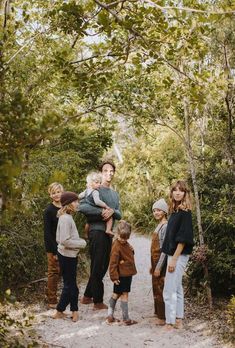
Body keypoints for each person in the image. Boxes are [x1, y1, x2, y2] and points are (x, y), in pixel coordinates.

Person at [79, 160, 122, 310]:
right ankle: (97, 301)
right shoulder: (93, 189)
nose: (109, 173)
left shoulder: (114, 194)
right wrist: (101, 212)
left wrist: (113, 212)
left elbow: (119, 213)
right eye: (105, 171)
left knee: (103, 266)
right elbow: (82, 206)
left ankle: (86, 296)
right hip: (96, 231)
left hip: (108, 233)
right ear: (100, 173)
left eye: (111, 171)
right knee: (98, 265)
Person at [162, 180, 194, 330]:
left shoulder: (185, 213)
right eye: (175, 190)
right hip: (173, 255)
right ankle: (178, 320)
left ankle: (170, 322)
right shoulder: (175, 211)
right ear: (171, 192)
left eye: (181, 190)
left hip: (178, 255)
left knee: (169, 289)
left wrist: (174, 259)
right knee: (177, 287)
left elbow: (183, 239)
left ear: (185, 193)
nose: (177, 192)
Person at [53, 191, 86, 322]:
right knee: (70, 285)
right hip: (67, 256)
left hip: (67, 255)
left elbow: (58, 239)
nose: (77, 203)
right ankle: (60, 311)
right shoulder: (66, 219)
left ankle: (73, 311)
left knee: (71, 284)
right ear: (69, 204)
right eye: (75, 201)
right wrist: (81, 243)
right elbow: (64, 240)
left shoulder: (65, 217)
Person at [106, 220, 137, 325]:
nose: (123, 240)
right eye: (121, 237)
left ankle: (110, 316)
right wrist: (114, 277)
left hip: (125, 273)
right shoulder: (116, 245)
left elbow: (128, 254)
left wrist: (132, 250)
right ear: (117, 233)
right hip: (123, 275)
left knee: (116, 294)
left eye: (126, 238)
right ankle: (126, 318)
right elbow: (113, 262)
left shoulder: (125, 244)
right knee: (124, 294)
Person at [43, 182, 64, 309]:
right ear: (50, 195)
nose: (56, 195)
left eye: (58, 192)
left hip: (64, 245)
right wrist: (54, 251)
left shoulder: (65, 208)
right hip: (53, 246)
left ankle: (50, 292)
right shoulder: (48, 211)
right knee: (53, 272)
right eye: (54, 192)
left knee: (61, 271)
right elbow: (47, 233)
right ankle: (51, 299)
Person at [150, 198, 168, 325]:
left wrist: (158, 267)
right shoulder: (159, 225)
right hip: (154, 261)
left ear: (165, 212)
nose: (156, 213)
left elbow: (164, 250)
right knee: (155, 286)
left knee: (160, 287)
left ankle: (163, 317)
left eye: (159, 210)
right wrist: (152, 266)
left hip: (160, 262)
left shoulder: (165, 226)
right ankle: (158, 312)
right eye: (154, 210)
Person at [79, 172, 114, 236]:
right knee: (110, 217)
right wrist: (106, 206)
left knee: (88, 222)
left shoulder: (86, 191)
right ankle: (108, 230)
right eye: (96, 182)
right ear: (91, 183)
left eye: (100, 183)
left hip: (90, 212)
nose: (99, 184)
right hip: (97, 210)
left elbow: (80, 196)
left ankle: (86, 234)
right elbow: (97, 202)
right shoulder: (95, 192)